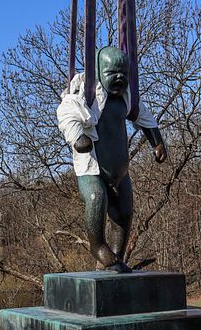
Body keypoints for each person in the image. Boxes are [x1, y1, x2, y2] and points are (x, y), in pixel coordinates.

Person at [57, 46, 167, 272]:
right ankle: (98, 246)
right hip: (92, 169)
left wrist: (157, 141)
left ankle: (116, 258)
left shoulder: (125, 99)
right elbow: (66, 113)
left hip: (120, 171)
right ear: (98, 72)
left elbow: (144, 117)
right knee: (97, 198)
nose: (119, 78)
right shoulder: (86, 96)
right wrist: (77, 137)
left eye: (124, 74)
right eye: (112, 73)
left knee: (125, 212)